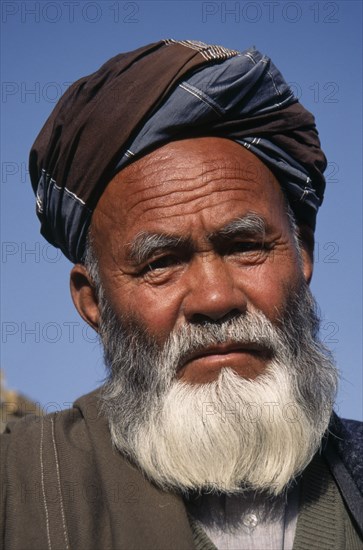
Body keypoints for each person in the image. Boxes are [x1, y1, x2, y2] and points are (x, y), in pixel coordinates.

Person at [1, 39, 362, 550]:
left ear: (302, 253)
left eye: (244, 247)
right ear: (92, 302)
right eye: (161, 263)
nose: (214, 298)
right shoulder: (18, 492)